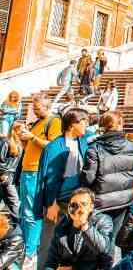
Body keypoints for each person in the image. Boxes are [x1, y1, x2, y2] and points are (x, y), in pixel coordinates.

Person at [34, 108, 89, 268]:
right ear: (73, 124)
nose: (87, 126)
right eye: (83, 122)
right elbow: (48, 178)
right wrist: (51, 203)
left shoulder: (82, 142)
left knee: (73, 243)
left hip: (76, 200)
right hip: (58, 201)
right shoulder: (54, 147)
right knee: (49, 242)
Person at [18, 94, 62, 265]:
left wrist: (32, 137)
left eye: (38, 109)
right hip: (27, 170)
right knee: (24, 211)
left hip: (37, 172)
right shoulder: (37, 123)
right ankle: (24, 247)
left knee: (31, 212)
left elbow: (52, 146)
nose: (35, 112)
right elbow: (29, 146)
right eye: (33, 109)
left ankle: (30, 250)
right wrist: (24, 139)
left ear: (47, 106)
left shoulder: (54, 121)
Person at [82, 110, 133, 237]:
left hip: (100, 201)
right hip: (123, 199)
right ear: (120, 125)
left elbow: (88, 178)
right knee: (111, 239)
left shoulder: (94, 148)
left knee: (97, 240)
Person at [44, 188, 114, 270]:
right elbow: (51, 261)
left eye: (83, 204)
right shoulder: (62, 226)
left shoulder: (103, 221)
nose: (78, 209)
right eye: (74, 205)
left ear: (91, 207)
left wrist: (84, 225)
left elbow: (103, 250)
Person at [0, 122, 22, 222]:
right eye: (22, 130)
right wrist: (2, 174)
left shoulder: (20, 143)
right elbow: (1, 159)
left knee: (10, 201)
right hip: (6, 176)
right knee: (14, 201)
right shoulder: (6, 142)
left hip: (13, 177)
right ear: (16, 130)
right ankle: (17, 222)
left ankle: (15, 222)